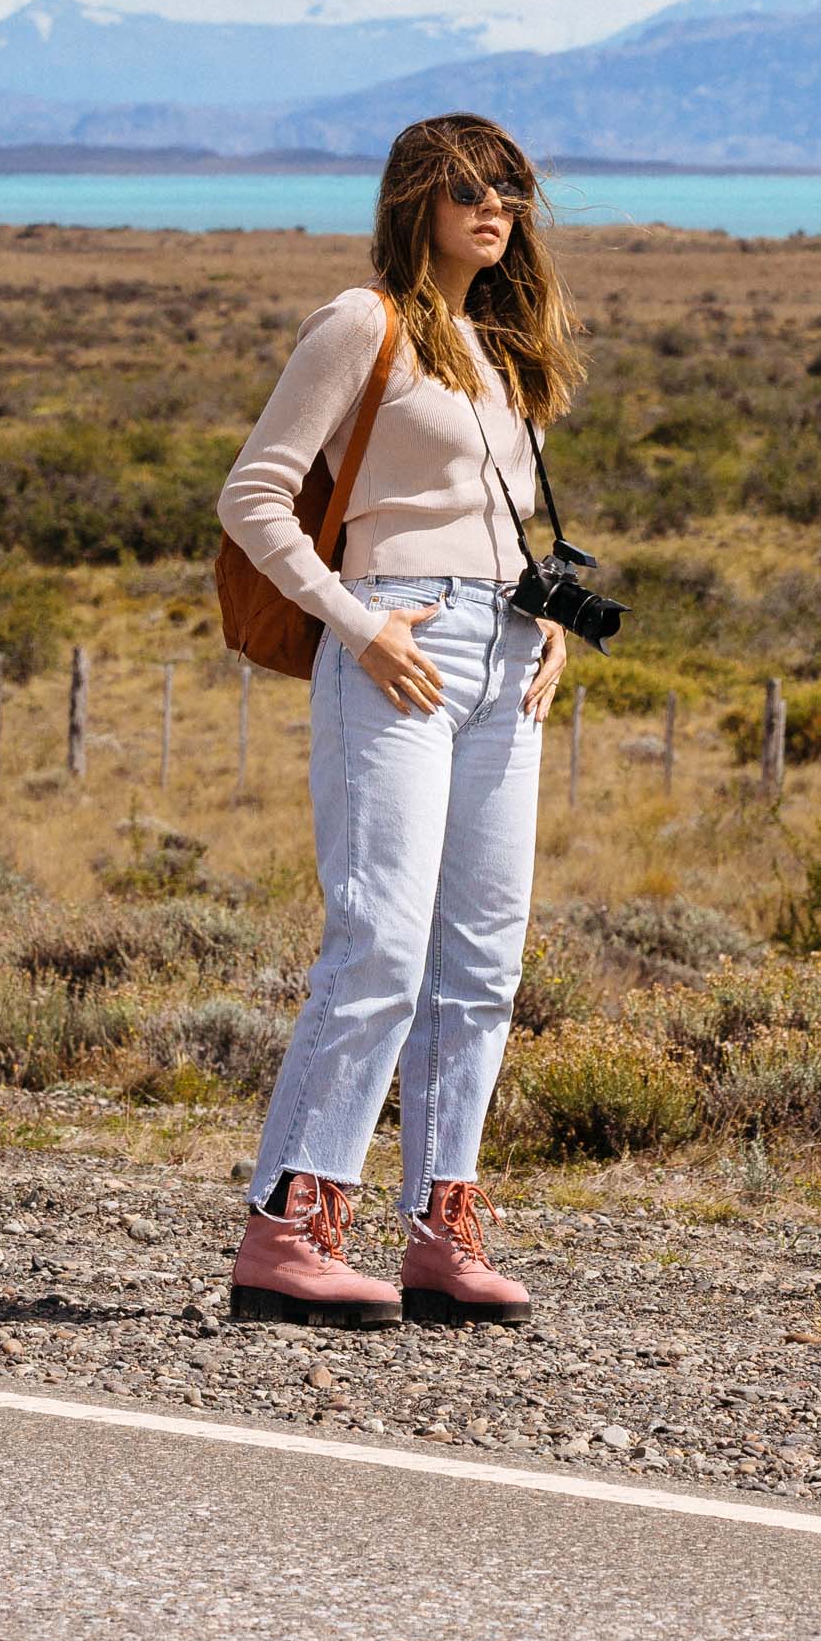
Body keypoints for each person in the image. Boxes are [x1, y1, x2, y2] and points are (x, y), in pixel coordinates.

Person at [215, 113, 582, 1331]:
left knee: (482, 961)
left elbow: (502, 519)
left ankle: (441, 1229)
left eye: (514, 191)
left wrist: (551, 623)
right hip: (396, 646)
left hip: (504, 659)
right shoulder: (360, 322)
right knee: (377, 943)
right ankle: (289, 1229)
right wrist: (351, 621)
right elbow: (254, 492)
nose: (498, 209)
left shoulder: (502, 346)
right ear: (415, 199)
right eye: (473, 188)